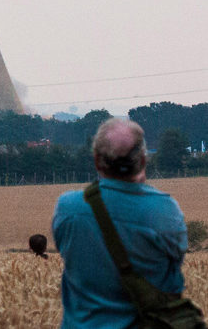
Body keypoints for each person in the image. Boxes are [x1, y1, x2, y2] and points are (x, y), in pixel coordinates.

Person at [53, 117, 188, 328]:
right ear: (143, 160)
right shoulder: (165, 210)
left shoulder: (68, 207)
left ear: (97, 160)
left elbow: (65, 250)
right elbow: (175, 262)